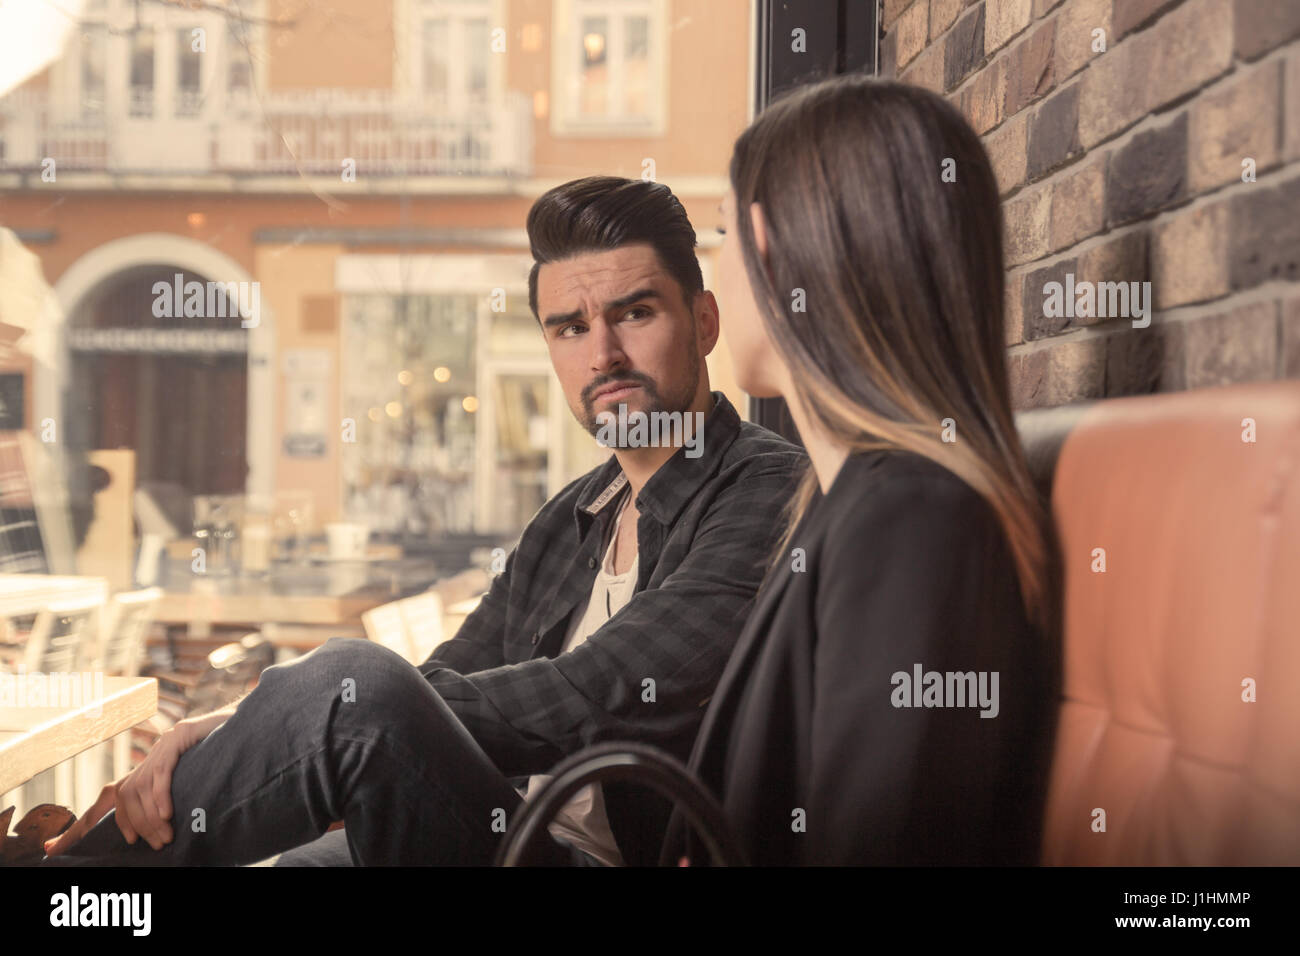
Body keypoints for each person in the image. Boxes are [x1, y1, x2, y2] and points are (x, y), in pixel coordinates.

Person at [38, 177, 807, 866]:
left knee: (357, 683)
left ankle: (74, 874)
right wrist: (262, 723)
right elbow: (448, 674)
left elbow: (600, 688)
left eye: (634, 314)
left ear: (703, 322)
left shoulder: (767, 487)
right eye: (570, 327)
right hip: (504, 831)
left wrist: (317, 710)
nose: (602, 353)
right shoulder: (574, 516)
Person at [653, 73, 1063, 865]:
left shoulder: (910, 521)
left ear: (767, 246)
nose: (717, 266)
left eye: (721, 234)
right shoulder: (853, 504)